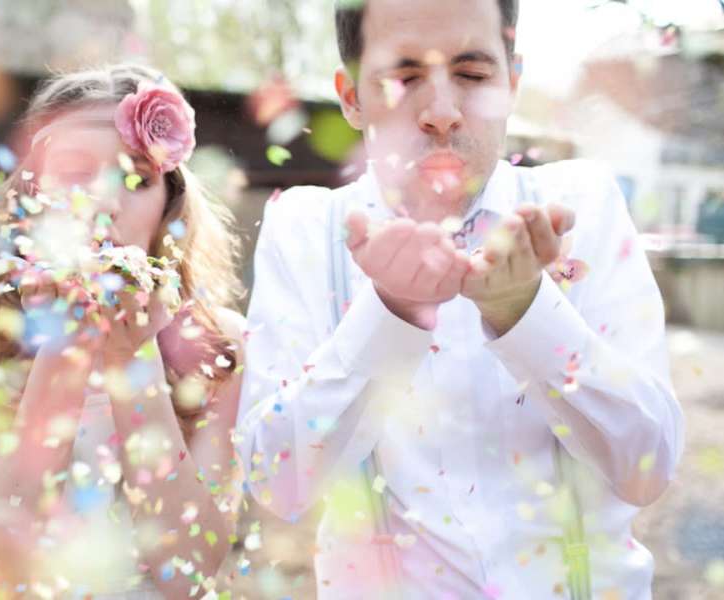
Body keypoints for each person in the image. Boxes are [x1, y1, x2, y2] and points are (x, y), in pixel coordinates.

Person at [236, 1, 684, 598]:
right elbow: (278, 486)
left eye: (472, 75)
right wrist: (390, 314)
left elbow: (648, 469)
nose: (442, 114)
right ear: (350, 97)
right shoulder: (307, 230)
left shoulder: (582, 204)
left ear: (512, 82)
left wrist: (526, 314)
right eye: (404, 79)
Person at [0, 64, 246, 599]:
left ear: (169, 204)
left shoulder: (219, 341)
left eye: (136, 179)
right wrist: (62, 356)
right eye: (76, 175)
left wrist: (133, 358)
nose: (105, 204)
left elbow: (190, 574)